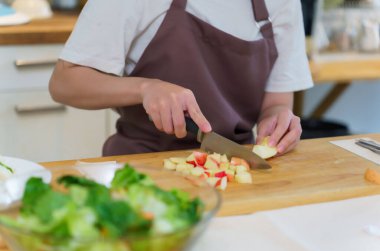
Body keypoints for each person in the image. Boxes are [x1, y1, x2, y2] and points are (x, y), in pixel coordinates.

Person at [49, 0, 313, 156]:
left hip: (236, 167)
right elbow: (64, 82)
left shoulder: (282, 4)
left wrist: (278, 120)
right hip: (143, 167)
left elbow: (277, 102)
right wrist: (145, 88)